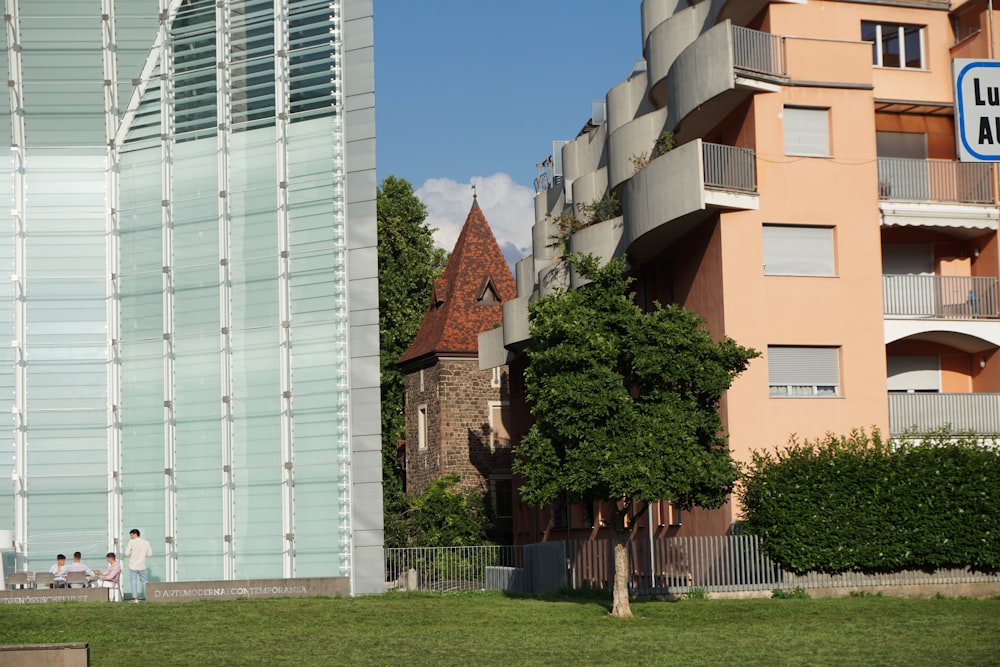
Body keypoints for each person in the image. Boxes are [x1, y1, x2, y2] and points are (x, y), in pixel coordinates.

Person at [124, 528, 152, 603]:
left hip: (133, 565)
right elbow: (149, 554)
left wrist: (132, 553)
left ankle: (135, 599)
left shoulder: (131, 542)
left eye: (131, 535)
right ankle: (147, 597)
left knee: (133, 581)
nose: (130, 536)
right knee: (145, 581)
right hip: (142, 565)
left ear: (135, 534)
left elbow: (126, 553)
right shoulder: (146, 542)